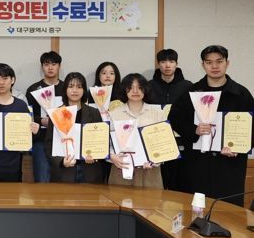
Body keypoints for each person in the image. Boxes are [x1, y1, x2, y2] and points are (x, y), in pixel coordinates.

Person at [168, 45, 254, 207]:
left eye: (219, 61)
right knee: (196, 211)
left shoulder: (241, 94)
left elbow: (252, 127)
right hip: (197, 164)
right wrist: (194, 130)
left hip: (229, 165)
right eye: (209, 62)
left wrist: (239, 146)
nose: (214, 66)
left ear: (227, 63)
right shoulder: (191, 92)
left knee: (229, 213)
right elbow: (174, 118)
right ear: (203, 65)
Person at [45, 72, 104, 184]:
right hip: (65, 172)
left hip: (89, 171)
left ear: (84, 90)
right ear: (65, 90)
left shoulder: (94, 113)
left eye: (79, 87)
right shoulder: (57, 113)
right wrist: (61, 161)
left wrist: (95, 155)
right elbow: (49, 144)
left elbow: (101, 141)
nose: (75, 90)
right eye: (71, 86)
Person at [108, 74, 165, 188]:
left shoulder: (158, 113)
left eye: (139, 87)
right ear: (125, 90)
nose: (135, 91)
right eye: (131, 87)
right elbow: (107, 142)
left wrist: (156, 159)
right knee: (119, 199)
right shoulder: (114, 114)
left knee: (151, 199)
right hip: (121, 169)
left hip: (150, 172)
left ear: (145, 89)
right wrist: (111, 156)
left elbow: (164, 142)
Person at [148, 48, 192, 192]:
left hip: (180, 141)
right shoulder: (148, 86)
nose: (167, 65)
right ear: (158, 64)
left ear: (176, 64)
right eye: (163, 61)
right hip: (155, 140)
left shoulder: (188, 86)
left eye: (171, 61)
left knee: (178, 185)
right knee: (156, 185)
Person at [25, 51, 64, 183]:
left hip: (62, 140)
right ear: (42, 67)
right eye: (47, 64)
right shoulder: (33, 89)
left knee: (63, 179)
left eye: (54, 64)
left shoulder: (66, 88)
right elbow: (27, 116)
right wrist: (41, 121)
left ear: (59, 66)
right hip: (40, 140)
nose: (50, 67)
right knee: (42, 179)